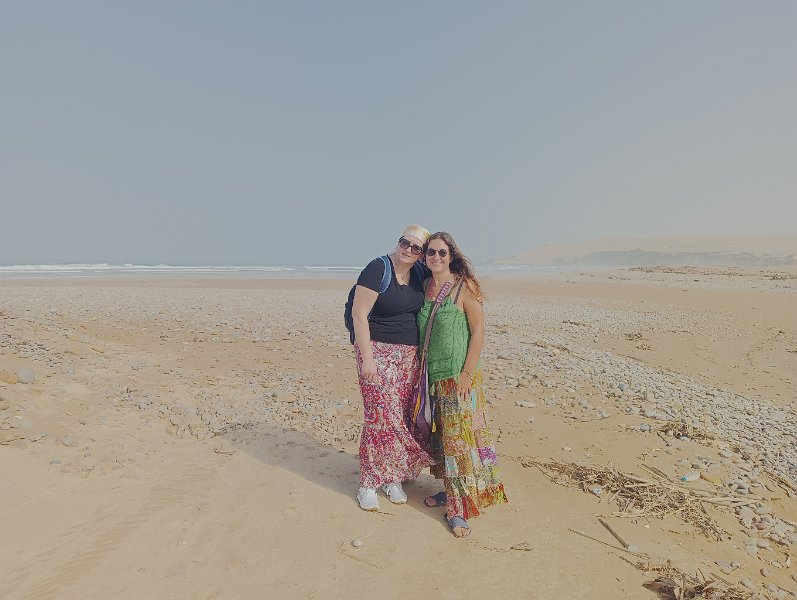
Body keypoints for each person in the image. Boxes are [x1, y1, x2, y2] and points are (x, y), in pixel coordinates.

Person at [415, 231, 508, 537]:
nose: (436, 257)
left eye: (442, 252)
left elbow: (478, 331)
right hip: (433, 379)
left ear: (451, 255)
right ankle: (451, 490)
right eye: (431, 252)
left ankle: (458, 509)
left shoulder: (463, 286)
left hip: (458, 379)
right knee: (444, 441)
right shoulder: (425, 287)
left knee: (459, 443)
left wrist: (467, 373)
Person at [351, 225, 433, 511]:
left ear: (421, 254)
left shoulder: (420, 273)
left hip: (408, 355)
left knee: (399, 416)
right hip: (376, 350)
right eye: (405, 243)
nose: (408, 250)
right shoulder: (378, 268)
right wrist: (368, 360)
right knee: (378, 417)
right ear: (398, 242)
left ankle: (393, 476)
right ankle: (368, 483)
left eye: (416, 248)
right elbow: (359, 314)